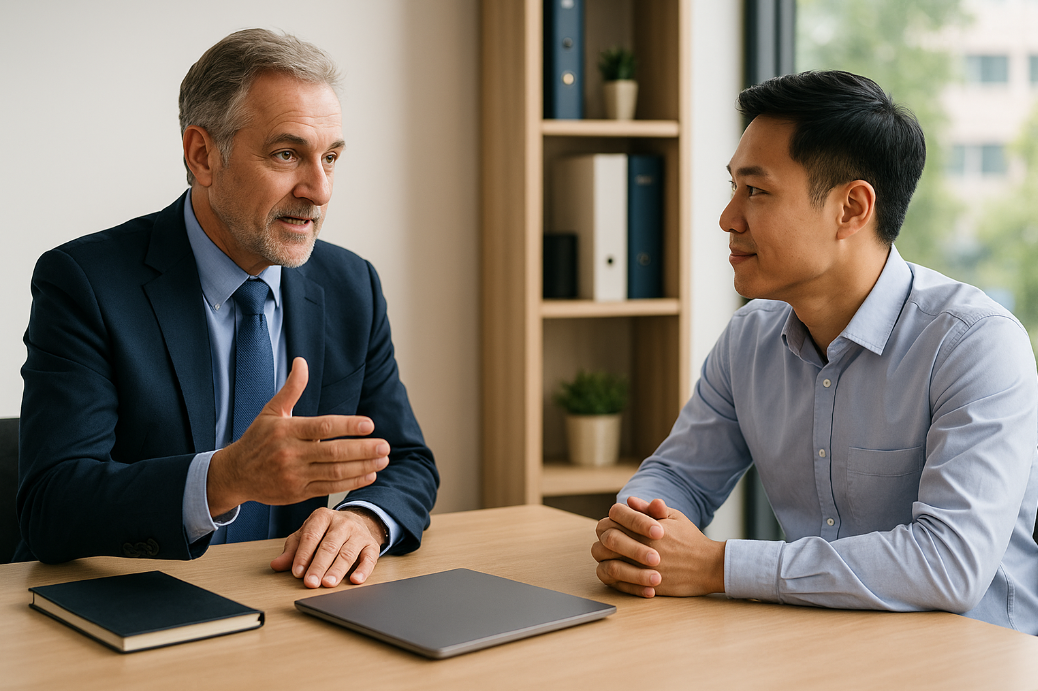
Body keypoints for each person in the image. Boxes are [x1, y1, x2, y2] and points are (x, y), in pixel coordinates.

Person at [592, 70, 1038, 633]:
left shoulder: (974, 343)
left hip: (975, 655)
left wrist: (717, 566)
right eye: (733, 188)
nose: (728, 219)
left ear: (851, 208)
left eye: (756, 191)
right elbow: (679, 476)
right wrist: (641, 531)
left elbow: (949, 564)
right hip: (819, 642)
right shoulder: (749, 338)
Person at [15, 29, 438, 590]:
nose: (319, 190)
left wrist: (364, 520)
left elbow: (407, 460)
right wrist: (226, 478)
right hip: (135, 603)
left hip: (289, 601)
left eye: (330, 158)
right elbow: (51, 506)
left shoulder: (350, 284)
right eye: (287, 154)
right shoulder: (85, 282)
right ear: (203, 154)